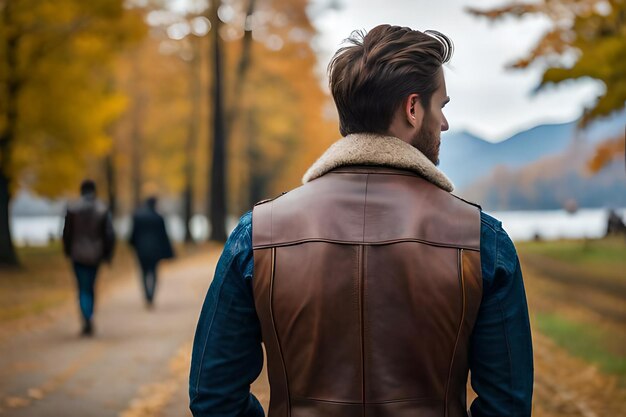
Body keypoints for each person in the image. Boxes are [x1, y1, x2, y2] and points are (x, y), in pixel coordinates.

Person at [190, 25, 533, 417]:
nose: (444, 123)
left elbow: (213, 395)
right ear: (412, 109)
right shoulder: (480, 240)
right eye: (442, 106)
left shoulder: (259, 233)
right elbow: (507, 406)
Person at [62, 179, 115, 336]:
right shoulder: (102, 209)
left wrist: (68, 251)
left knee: (82, 287)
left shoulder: (72, 209)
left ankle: (86, 316)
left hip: (77, 255)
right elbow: (109, 235)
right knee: (90, 286)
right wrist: (107, 254)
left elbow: (67, 234)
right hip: (95, 255)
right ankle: (88, 315)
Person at [129, 196, 174, 307]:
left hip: (141, 249)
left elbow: (133, 233)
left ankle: (147, 294)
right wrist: (169, 251)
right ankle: (151, 295)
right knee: (153, 272)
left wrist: (133, 245)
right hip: (155, 250)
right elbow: (164, 235)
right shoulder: (158, 217)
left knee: (143, 272)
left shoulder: (138, 216)